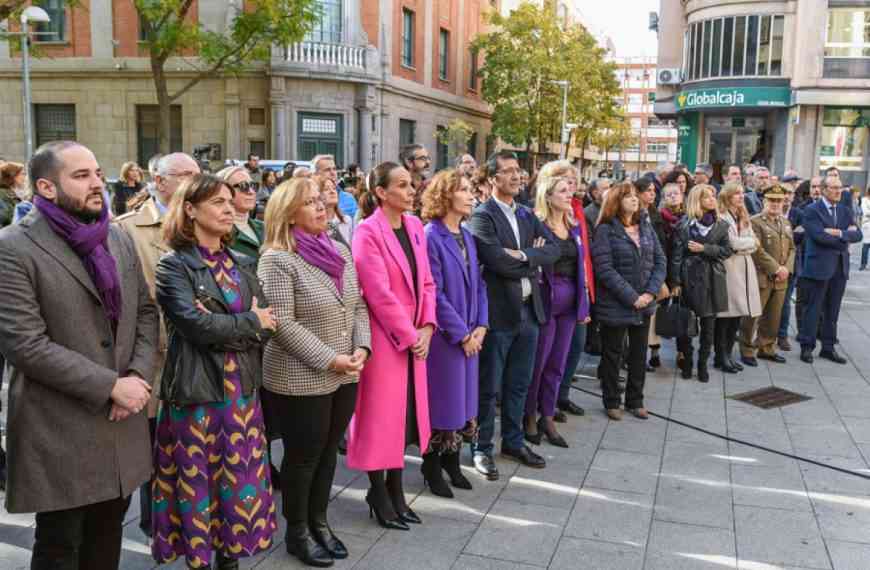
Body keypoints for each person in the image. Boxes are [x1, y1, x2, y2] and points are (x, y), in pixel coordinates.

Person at [0, 141, 159, 569]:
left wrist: (138, 378)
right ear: (47, 187)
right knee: (60, 542)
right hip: (60, 423)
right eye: (82, 175)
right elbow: (24, 344)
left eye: (96, 172)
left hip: (122, 420)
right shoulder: (13, 247)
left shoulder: (115, 235)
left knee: (108, 532)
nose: (97, 184)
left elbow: (145, 311)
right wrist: (111, 387)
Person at [152, 173, 278, 569]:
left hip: (241, 394)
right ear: (190, 209)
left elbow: (268, 324)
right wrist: (247, 322)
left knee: (238, 486)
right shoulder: (174, 266)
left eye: (231, 200)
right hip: (197, 398)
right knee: (199, 485)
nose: (229, 208)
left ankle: (231, 560)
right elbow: (195, 327)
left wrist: (237, 324)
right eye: (218, 202)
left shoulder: (242, 261)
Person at [258, 177, 370, 567]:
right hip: (299, 375)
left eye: (321, 201)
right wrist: (330, 358)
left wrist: (362, 348)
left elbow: (357, 307)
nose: (322, 207)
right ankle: (297, 530)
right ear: (288, 215)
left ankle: (320, 522)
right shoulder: (277, 259)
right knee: (303, 456)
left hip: (346, 370)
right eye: (310, 203)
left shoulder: (338, 248)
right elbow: (282, 324)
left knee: (327, 455)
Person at [115, 151, 201, 539]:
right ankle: (155, 522)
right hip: (155, 361)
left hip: (200, 360)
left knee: (193, 448)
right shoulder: (127, 230)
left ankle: (186, 520)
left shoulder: (208, 221)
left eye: (198, 175)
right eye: (184, 175)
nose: (193, 181)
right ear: (159, 180)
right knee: (154, 448)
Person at [348, 161, 437, 530]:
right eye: (402, 185)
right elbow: (378, 293)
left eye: (411, 183)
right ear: (381, 193)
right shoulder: (367, 232)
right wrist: (411, 334)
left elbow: (427, 282)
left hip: (414, 337)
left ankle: (396, 489)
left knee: (404, 420)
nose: (412, 189)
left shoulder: (415, 226)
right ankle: (378, 492)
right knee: (380, 418)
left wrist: (428, 326)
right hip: (384, 340)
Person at [468, 150, 559, 476]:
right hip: (498, 314)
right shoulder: (482, 215)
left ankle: (514, 440)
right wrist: (529, 259)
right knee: (489, 386)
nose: (516, 176)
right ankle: (481, 448)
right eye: (507, 171)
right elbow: (495, 261)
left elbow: (553, 249)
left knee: (519, 383)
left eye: (518, 171)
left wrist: (522, 253)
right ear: (492, 178)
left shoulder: (525, 214)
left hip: (529, 312)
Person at [420, 169, 488, 498]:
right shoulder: (430, 235)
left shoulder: (467, 235)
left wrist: (482, 326)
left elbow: (480, 285)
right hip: (448, 340)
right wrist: (463, 334)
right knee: (442, 403)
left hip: (472, 335)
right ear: (446, 196)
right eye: (463, 190)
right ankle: (431, 466)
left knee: (463, 402)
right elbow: (434, 293)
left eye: (470, 189)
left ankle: (452, 462)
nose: (470, 194)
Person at [525, 169, 590, 446]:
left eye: (570, 190)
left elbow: (581, 267)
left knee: (558, 364)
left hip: (570, 300)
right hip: (546, 301)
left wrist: (584, 304)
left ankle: (547, 416)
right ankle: (529, 416)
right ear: (548, 197)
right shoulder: (537, 225)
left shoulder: (574, 225)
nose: (570, 195)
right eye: (563, 191)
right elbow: (529, 262)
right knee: (538, 363)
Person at [591, 181, 666, 420]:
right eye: (628, 196)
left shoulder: (645, 226)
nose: (635, 199)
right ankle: (612, 400)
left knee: (638, 353)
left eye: (636, 196)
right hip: (617, 303)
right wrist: (632, 297)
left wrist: (650, 293)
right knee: (613, 354)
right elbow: (604, 269)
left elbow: (659, 261)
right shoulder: (605, 229)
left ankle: (636, 400)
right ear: (616, 201)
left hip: (644, 302)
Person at [797, 175, 863, 364]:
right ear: (824, 189)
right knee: (813, 308)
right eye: (834, 188)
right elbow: (818, 236)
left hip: (840, 267)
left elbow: (857, 235)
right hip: (818, 267)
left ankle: (828, 347)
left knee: (832, 310)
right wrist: (844, 238)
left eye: (840, 188)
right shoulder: (811, 210)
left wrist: (839, 233)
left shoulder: (844, 210)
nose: (838, 191)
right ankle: (807, 347)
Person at [670, 185, 733, 382]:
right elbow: (676, 256)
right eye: (707, 197)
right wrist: (675, 282)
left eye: (713, 196)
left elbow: (727, 251)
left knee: (709, 326)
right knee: (685, 325)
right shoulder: (684, 225)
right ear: (698, 200)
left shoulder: (721, 225)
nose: (712, 199)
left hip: (713, 279)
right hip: (689, 279)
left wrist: (705, 248)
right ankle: (687, 362)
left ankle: (702, 364)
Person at [737, 186, 795, 367]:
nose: (775, 204)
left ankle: (766, 348)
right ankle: (746, 349)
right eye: (772, 200)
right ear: (764, 201)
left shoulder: (786, 223)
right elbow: (757, 250)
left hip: (781, 279)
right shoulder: (755, 222)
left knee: (773, 316)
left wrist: (786, 268)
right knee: (752, 316)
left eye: (779, 201)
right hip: (761, 276)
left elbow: (792, 248)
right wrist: (776, 268)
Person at [713, 182, 761, 374]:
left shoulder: (743, 215)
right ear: (727, 196)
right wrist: (748, 244)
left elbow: (754, 243)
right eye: (737, 194)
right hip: (729, 269)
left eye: (742, 193)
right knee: (725, 317)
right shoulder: (722, 216)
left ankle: (727, 355)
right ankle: (720, 356)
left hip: (743, 270)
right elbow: (732, 243)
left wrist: (747, 244)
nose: (741, 197)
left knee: (737, 316)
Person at [637, 177, 667, 370]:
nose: (652, 194)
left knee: (652, 316)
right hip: (639, 274)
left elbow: (661, 247)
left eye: (653, 191)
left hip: (654, 272)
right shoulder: (633, 214)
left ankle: (649, 353)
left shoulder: (654, 214)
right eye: (647, 190)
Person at [216, 166, 264, 259]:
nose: (251, 192)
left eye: (253, 185)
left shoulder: (265, 227)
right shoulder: (219, 232)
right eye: (243, 186)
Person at [312, 154, 357, 219]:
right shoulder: (310, 200)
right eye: (327, 170)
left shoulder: (349, 198)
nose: (333, 173)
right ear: (316, 174)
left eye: (334, 169)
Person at [318, 175, 355, 247]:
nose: (332, 191)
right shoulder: (316, 224)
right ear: (318, 195)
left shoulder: (347, 220)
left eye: (334, 188)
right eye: (326, 189)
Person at [0, 161, 27, 227]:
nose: (25, 177)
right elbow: (5, 218)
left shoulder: (17, 193)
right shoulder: (2, 194)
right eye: (23, 174)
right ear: (13, 176)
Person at [860, 187, 870, 271]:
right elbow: (865, 212)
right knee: (866, 245)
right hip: (867, 225)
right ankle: (863, 264)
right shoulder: (864, 200)